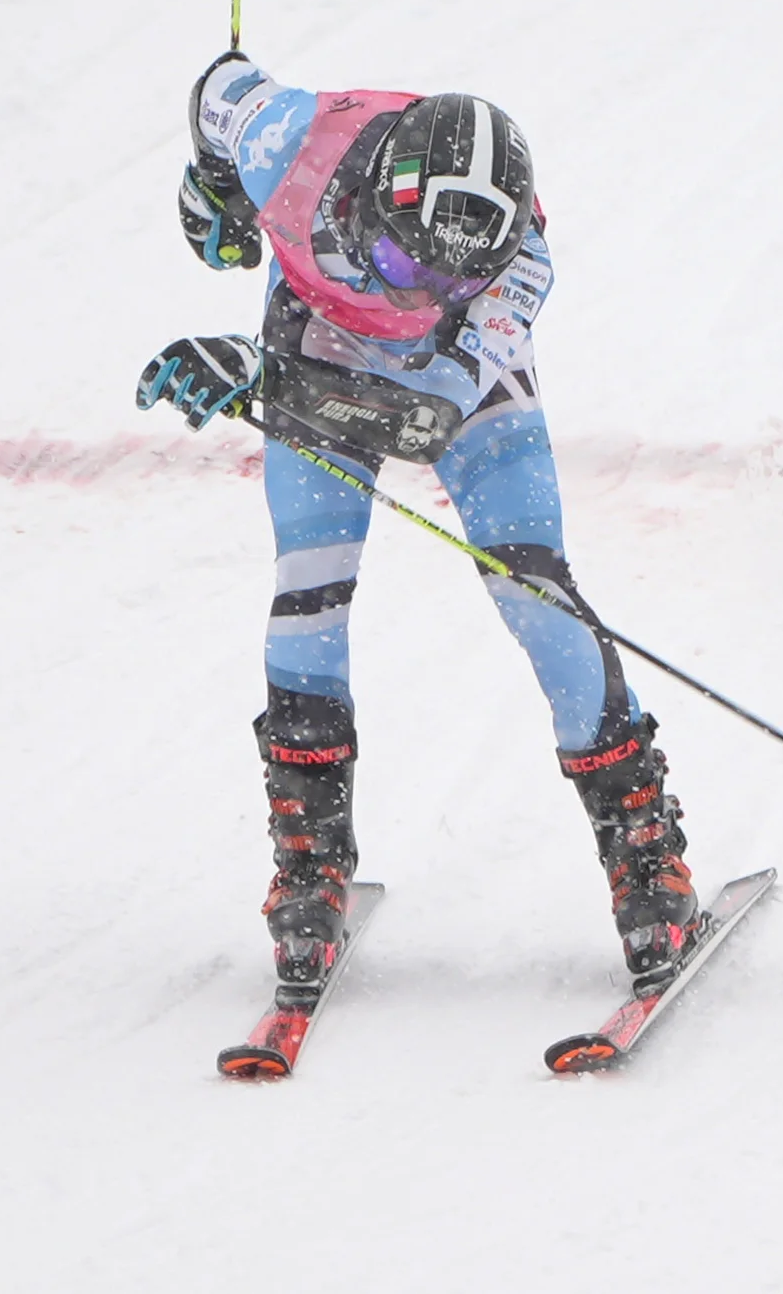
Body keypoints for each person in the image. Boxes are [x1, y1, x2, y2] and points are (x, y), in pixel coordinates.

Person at [136, 53, 700, 1002]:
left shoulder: (518, 265)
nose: (415, 293)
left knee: (538, 593)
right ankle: (310, 862)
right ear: (371, 204)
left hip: (447, 392)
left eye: (450, 280)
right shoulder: (287, 141)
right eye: (403, 262)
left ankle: (644, 854)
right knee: (308, 595)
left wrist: (257, 377)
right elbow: (216, 87)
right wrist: (217, 183)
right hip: (313, 341)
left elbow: (418, 420)